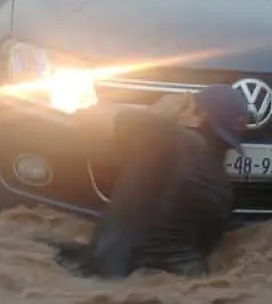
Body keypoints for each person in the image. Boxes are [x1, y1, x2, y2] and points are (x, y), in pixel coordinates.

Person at [53, 85, 251, 279]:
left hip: (120, 275)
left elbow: (89, 119)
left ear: (197, 114)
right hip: (187, 277)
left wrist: (163, 109)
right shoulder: (223, 191)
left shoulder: (165, 135)